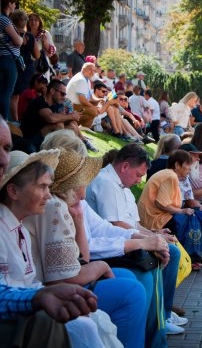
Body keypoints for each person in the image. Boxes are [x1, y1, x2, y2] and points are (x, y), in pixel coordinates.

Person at [23, 148, 148, 347]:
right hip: (52, 291)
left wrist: (80, 221)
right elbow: (66, 277)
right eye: (80, 184)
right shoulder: (54, 207)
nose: (84, 193)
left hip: (60, 283)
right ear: (65, 185)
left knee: (131, 278)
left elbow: (85, 255)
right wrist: (103, 266)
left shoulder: (68, 204)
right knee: (133, 291)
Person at [0, 149, 105, 347]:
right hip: (16, 320)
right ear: (13, 191)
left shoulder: (18, 226)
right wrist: (39, 297)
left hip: (26, 311)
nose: (49, 195)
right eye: (42, 187)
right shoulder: (6, 226)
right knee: (85, 326)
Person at [85, 142, 187, 335]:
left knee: (167, 250)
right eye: (138, 175)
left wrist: (152, 235)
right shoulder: (106, 183)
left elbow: (131, 224)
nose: (140, 181)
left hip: (117, 244)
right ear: (124, 166)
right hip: (110, 251)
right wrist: (147, 240)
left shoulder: (121, 184)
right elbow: (114, 226)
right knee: (164, 256)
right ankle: (158, 322)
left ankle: (161, 317)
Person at [20, 79, 82, 149]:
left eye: (65, 95)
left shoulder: (55, 105)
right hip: (30, 139)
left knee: (72, 125)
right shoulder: (40, 102)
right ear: (52, 91)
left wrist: (71, 118)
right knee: (58, 125)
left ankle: (77, 151)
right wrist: (71, 116)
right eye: (62, 94)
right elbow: (51, 118)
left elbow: (63, 118)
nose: (64, 98)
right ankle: (56, 153)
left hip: (42, 137)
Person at [10, 10, 39, 123]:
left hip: (14, 64)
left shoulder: (9, 33)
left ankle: (13, 120)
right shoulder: (29, 36)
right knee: (17, 95)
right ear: (24, 21)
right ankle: (16, 121)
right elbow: (36, 55)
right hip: (27, 67)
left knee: (12, 94)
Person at [0, 0, 23, 120]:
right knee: (6, 93)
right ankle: (4, 122)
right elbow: (18, 41)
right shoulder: (4, 19)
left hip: (4, 59)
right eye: (14, 3)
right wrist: (19, 38)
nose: (15, 6)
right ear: (9, 4)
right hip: (7, 60)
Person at [66, 62, 98, 129]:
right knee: (94, 111)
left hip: (77, 105)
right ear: (83, 69)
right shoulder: (81, 80)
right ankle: (70, 123)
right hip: (72, 106)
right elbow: (83, 100)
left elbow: (90, 98)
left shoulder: (86, 79)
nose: (92, 72)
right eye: (90, 69)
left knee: (96, 105)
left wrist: (100, 100)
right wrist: (94, 107)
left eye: (94, 70)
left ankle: (85, 128)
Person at [26, 13, 56, 81]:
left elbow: (53, 51)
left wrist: (45, 43)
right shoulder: (25, 33)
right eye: (31, 20)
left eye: (36, 20)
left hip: (41, 65)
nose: (33, 22)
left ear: (40, 22)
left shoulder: (45, 33)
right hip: (27, 64)